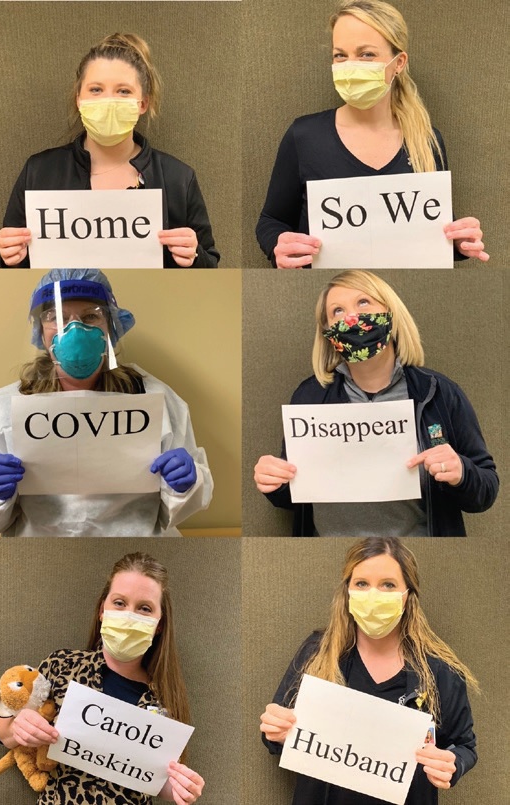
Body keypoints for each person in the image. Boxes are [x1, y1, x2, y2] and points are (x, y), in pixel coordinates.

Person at [253, 270, 498, 536]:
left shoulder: (439, 393)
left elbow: (486, 490)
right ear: (327, 332)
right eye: (337, 311)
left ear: (390, 312)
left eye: (363, 302)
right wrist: (273, 481)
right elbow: (292, 497)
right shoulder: (310, 396)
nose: (351, 317)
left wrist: (461, 472)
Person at [0, 269, 213, 536]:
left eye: (90, 316)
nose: (75, 329)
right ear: (41, 332)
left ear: (111, 327)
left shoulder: (152, 397)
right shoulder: (2, 408)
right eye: (58, 318)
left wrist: (185, 485)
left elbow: (178, 512)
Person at [256, 0, 488, 268]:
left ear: (398, 63)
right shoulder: (304, 136)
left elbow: (436, 229)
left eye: (366, 54)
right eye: (340, 55)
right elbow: (270, 220)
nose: (350, 66)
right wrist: (278, 245)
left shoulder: (427, 140)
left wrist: (460, 242)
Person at [259, 537, 478, 804]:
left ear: (407, 595)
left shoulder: (440, 671)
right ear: (347, 591)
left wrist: (453, 764)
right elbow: (274, 736)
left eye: (388, 585)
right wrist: (276, 730)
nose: (374, 595)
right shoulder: (318, 652)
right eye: (362, 584)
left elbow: (465, 746)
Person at [0, 552, 205, 804]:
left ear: (159, 625)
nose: (129, 616)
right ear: (103, 610)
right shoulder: (63, 665)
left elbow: (158, 782)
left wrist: (183, 789)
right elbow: (0, 730)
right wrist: (18, 728)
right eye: (120, 603)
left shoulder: (163, 698)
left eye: (144, 608)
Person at [0, 32, 219, 268]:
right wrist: (8, 256)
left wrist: (193, 256)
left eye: (123, 91)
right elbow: (4, 263)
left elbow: (210, 264)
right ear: (79, 98)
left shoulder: (178, 178)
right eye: (96, 90)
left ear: (142, 103)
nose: (108, 101)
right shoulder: (39, 171)